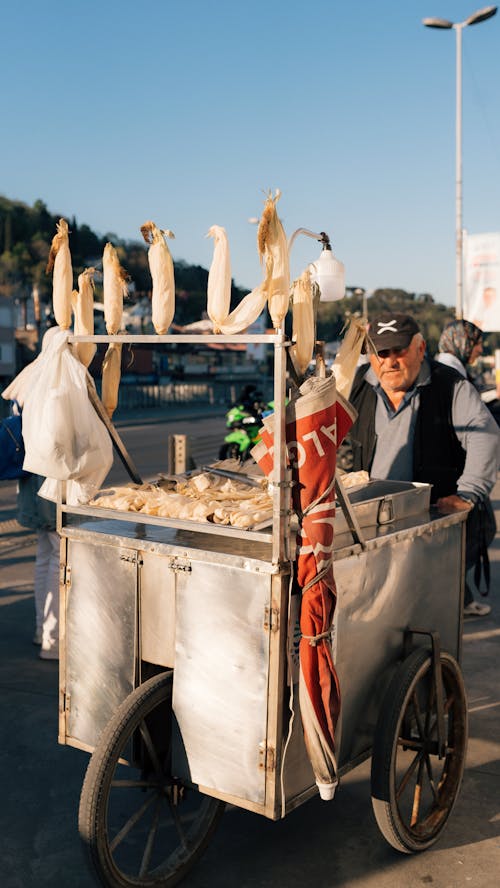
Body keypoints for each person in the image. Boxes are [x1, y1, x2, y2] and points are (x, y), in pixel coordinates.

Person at [346, 311, 499, 617]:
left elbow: (485, 436)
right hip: (366, 525)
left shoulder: (450, 386)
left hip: (426, 525)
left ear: (420, 349)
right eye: (381, 353)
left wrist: (468, 494)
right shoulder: (356, 385)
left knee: (422, 612)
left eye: (398, 350)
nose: (390, 362)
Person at [17, 473, 59, 659]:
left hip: (33, 479)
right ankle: (54, 639)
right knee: (60, 553)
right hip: (52, 479)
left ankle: (42, 629)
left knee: (45, 552)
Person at [436, 319, 483, 384]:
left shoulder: (450, 368)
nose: (480, 349)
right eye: (476, 343)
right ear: (460, 341)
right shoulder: (451, 372)